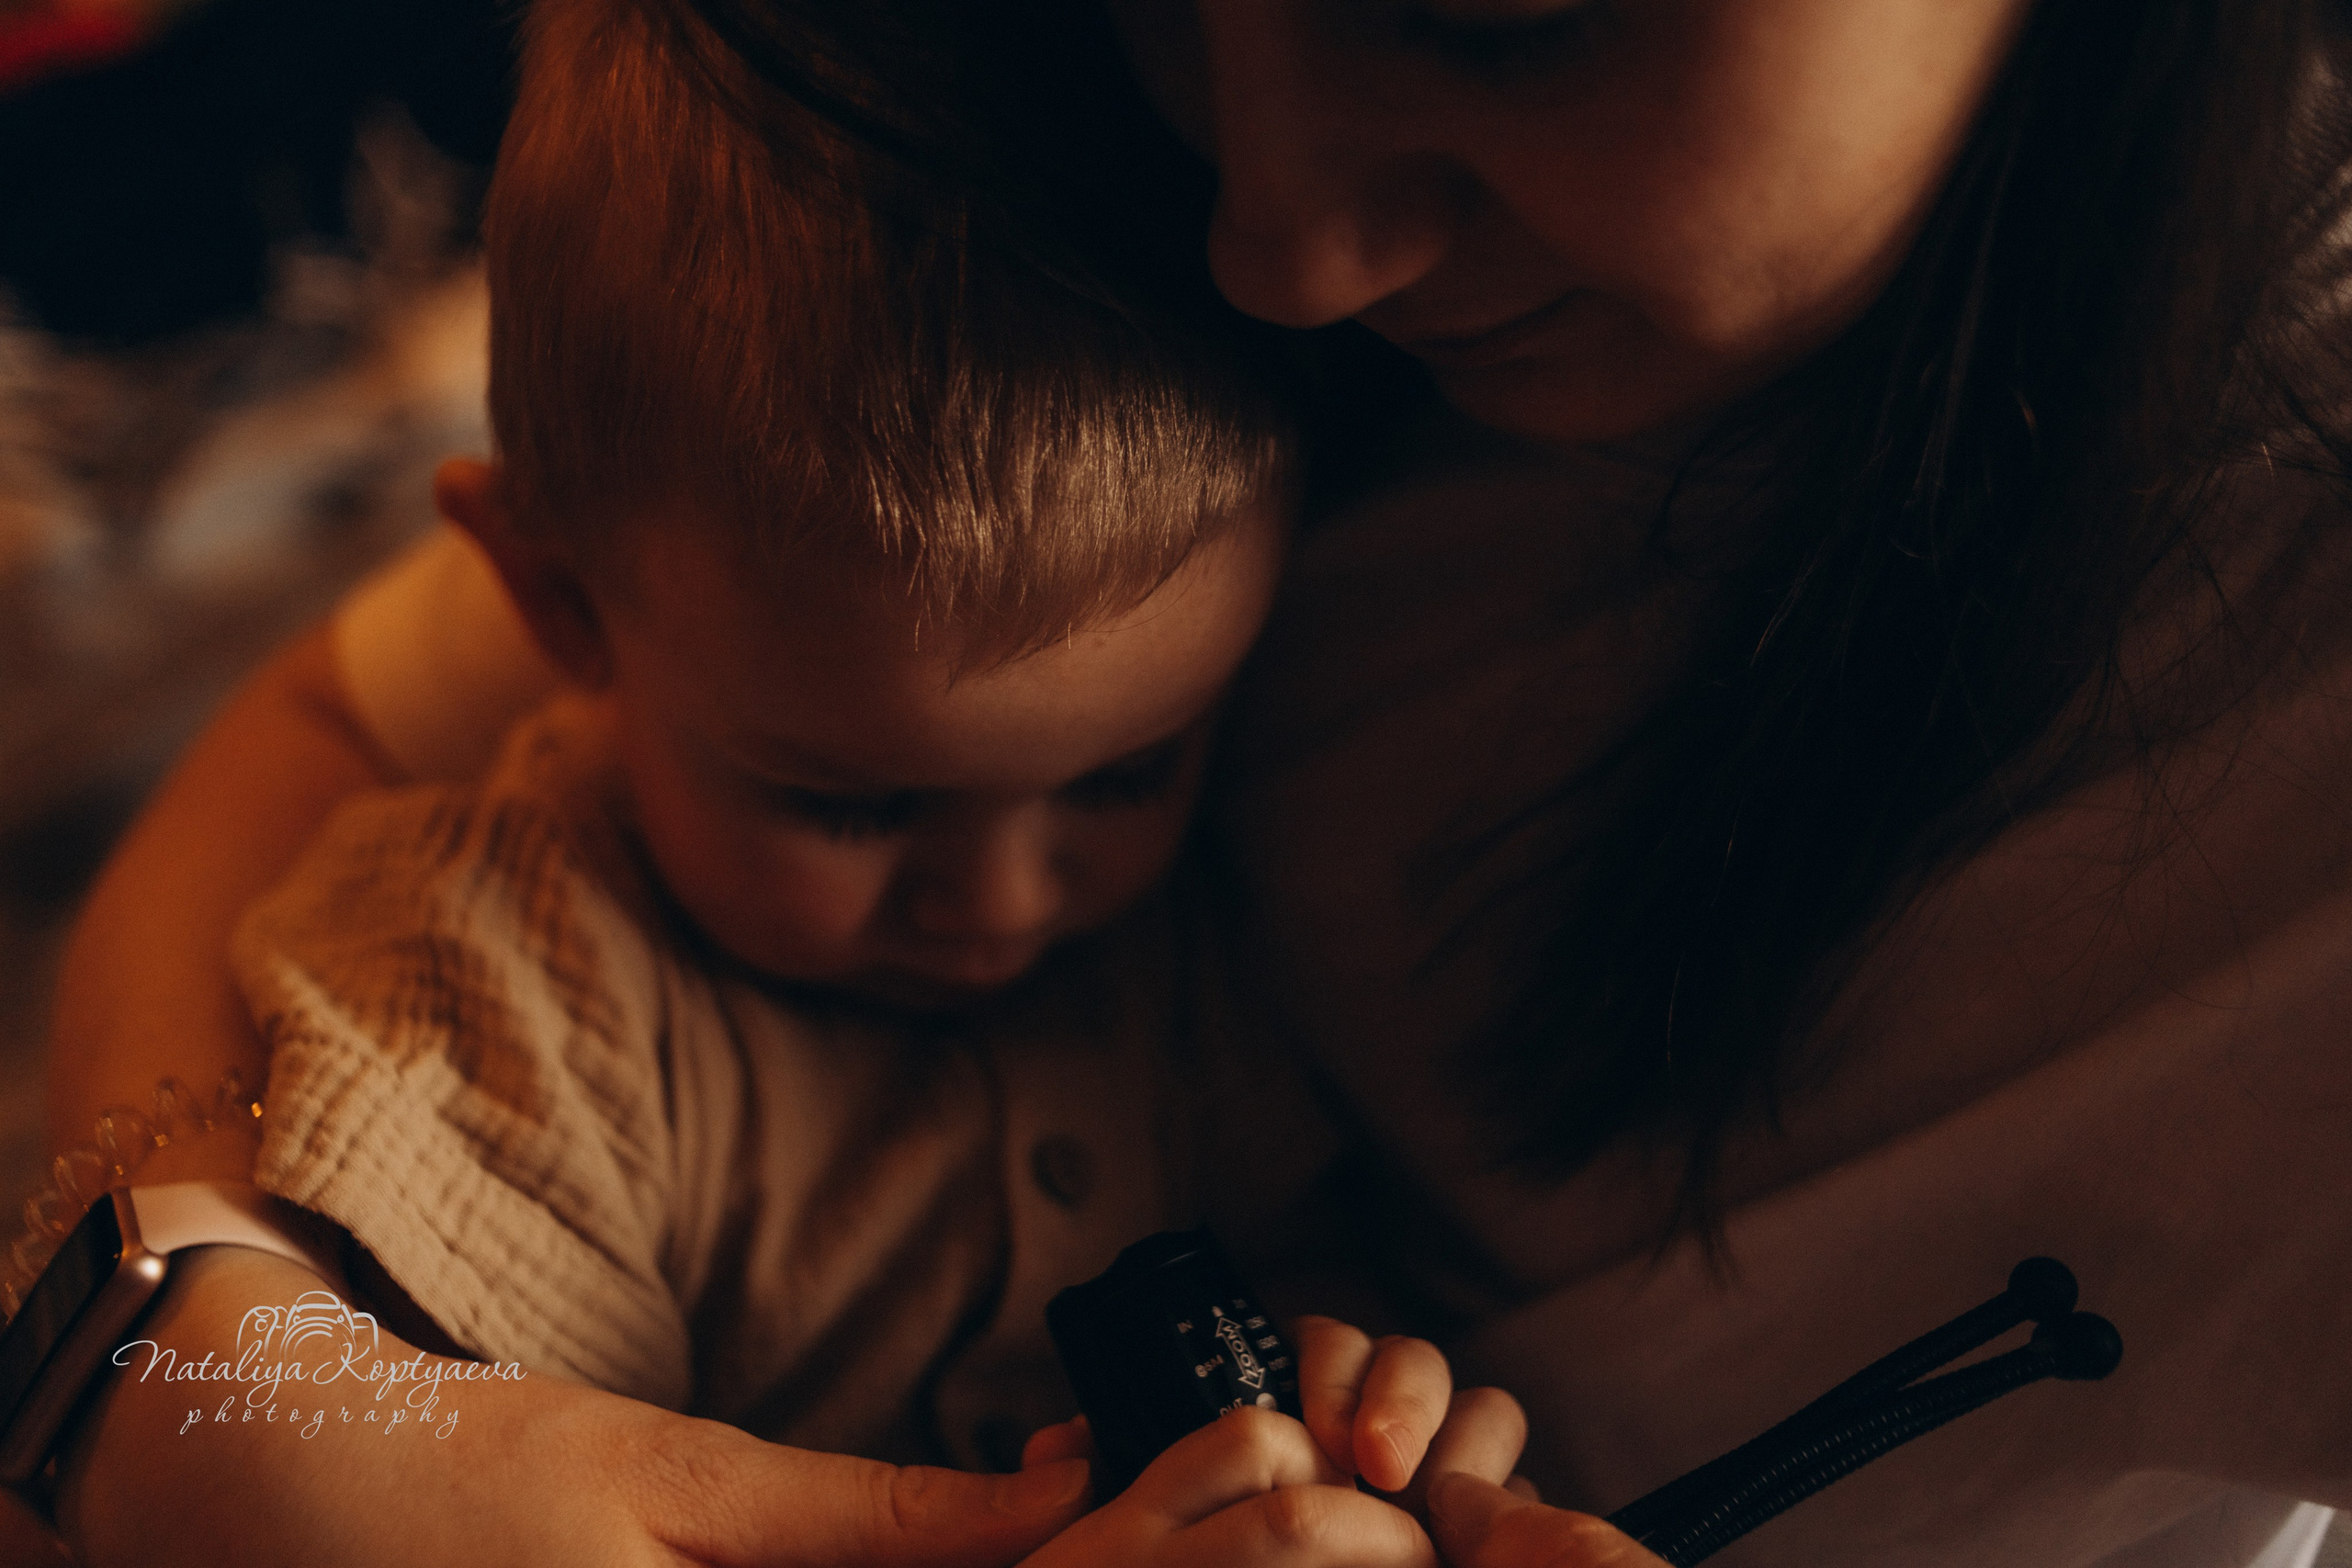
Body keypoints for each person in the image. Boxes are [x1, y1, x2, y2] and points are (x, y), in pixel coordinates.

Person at [46, 0, 2352, 1565]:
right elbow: (359, 729)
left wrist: (1341, 1416)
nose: (1271, 248)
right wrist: (172, 1350)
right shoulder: (984, 217)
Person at [44, 1, 1531, 1563]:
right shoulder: (498, 989)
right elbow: (389, 1477)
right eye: (858, 806)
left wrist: (1345, 1401)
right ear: (557, 609)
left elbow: (1293, 1234)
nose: (1005, 899)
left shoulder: (1178, 944)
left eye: (1126, 774)